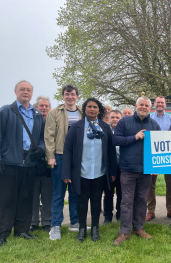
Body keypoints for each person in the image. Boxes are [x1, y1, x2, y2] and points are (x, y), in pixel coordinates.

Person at [0, 80, 45, 247]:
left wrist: (41, 149)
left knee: (25, 198)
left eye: (28, 90)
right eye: (22, 89)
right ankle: (2, 233)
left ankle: (22, 230)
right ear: (15, 91)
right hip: (9, 163)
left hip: (29, 163)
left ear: (32, 93)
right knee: (6, 199)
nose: (25, 92)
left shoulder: (36, 114)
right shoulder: (6, 111)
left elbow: (42, 139)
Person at [62, 98, 117, 242]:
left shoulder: (105, 127)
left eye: (95, 107)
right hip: (81, 172)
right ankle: (81, 229)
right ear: (84, 109)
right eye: (89, 106)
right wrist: (66, 172)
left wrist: (112, 171)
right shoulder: (76, 127)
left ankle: (95, 229)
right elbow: (67, 149)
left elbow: (111, 150)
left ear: (99, 110)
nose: (92, 109)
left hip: (99, 172)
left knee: (96, 201)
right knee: (81, 201)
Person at [112, 96, 160, 246]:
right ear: (136, 106)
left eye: (146, 105)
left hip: (146, 171)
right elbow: (116, 140)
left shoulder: (154, 124)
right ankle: (124, 231)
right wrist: (134, 137)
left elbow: (158, 147)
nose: (144, 107)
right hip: (128, 169)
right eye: (141, 105)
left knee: (141, 200)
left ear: (149, 108)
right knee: (126, 201)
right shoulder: (124, 122)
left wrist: (156, 166)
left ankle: (138, 227)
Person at [45, 84, 83, 240]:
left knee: (75, 192)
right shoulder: (55, 112)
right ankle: (55, 226)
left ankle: (75, 223)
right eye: (67, 94)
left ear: (77, 96)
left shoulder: (82, 112)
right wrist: (51, 156)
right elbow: (49, 136)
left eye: (73, 94)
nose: (70, 96)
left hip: (78, 158)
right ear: (63, 96)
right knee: (58, 193)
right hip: (60, 156)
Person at [146, 96, 171, 221]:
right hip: (152, 155)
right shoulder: (149, 118)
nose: (160, 104)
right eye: (158, 102)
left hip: (168, 156)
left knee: (170, 184)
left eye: (162, 103)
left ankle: (170, 210)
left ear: (165, 105)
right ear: (154, 104)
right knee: (150, 184)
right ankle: (151, 211)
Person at [30, 96, 53, 232]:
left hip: (49, 165)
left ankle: (46, 222)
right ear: (36, 107)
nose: (44, 108)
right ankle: (33, 221)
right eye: (41, 106)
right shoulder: (32, 122)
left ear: (49, 108)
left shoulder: (53, 122)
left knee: (47, 195)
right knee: (33, 195)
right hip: (33, 164)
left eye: (46, 106)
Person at [103, 110, 123, 224]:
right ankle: (107, 216)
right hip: (109, 168)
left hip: (122, 167)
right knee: (108, 194)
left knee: (121, 194)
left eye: (117, 117)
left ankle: (120, 215)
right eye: (113, 117)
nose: (115, 119)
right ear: (109, 118)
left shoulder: (124, 131)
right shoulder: (104, 131)